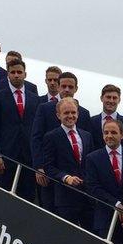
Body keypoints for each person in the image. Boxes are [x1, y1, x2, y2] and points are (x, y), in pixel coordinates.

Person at [31, 71, 92, 212]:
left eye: (70, 87)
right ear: (58, 87)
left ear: (76, 89)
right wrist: (39, 167)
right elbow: (36, 137)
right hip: (50, 172)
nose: (66, 90)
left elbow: (87, 144)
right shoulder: (45, 108)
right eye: (63, 86)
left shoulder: (83, 113)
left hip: (78, 179)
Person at [0, 58, 42, 201]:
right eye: (13, 72)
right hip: (6, 155)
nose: (16, 75)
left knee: (28, 197)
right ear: (7, 75)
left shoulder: (35, 99)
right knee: (4, 197)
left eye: (19, 72)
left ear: (25, 74)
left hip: (29, 157)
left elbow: (38, 131)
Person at [85, 118, 123, 244]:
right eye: (106, 133)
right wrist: (116, 204)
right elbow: (92, 187)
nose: (109, 136)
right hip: (105, 219)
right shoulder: (93, 158)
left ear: (122, 135)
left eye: (113, 132)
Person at [42, 98, 94, 229]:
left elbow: (91, 165)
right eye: (66, 113)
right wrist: (66, 178)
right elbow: (48, 166)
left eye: (73, 112)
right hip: (65, 198)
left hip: (86, 197)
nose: (70, 116)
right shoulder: (51, 136)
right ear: (58, 115)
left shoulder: (87, 136)